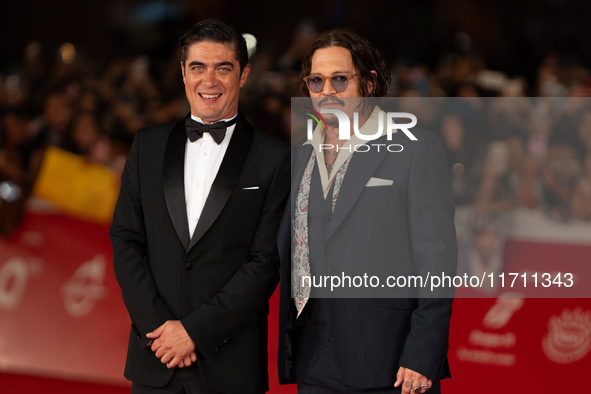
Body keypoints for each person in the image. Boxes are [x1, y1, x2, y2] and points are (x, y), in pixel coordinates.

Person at [110, 19, 290, 394]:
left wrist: (194, 332)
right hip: (156, 357)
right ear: (182, 73)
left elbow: (265, 263)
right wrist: (160, 330)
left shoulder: (274, 158)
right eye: (198, 67)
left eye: (223, 68)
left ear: (243, 75)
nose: (209, 81)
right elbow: (125, 240)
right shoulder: (148, 145)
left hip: (231, 364)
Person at [277, 29, 457, 394]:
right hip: (312, 358)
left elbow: (437, 261)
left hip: (390, 363)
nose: (326, 90)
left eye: (340, 79)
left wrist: (423, 354)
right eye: (316, 80)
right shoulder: (299, 155)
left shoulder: (413, 149)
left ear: (370, 83)